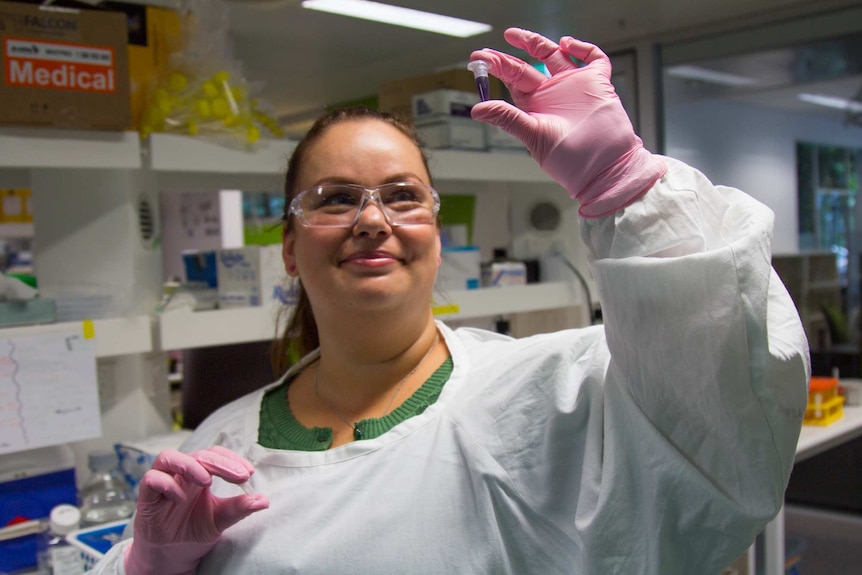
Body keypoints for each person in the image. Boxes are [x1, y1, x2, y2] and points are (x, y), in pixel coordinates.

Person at [92, 28, 809, 574]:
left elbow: (725, 422)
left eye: (403, 196)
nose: (373, 219)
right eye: (336, 199)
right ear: (289, 247)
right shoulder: (221, 449)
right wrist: (149, 567)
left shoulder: (542, 395)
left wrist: (625, 184)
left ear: (435, 235)